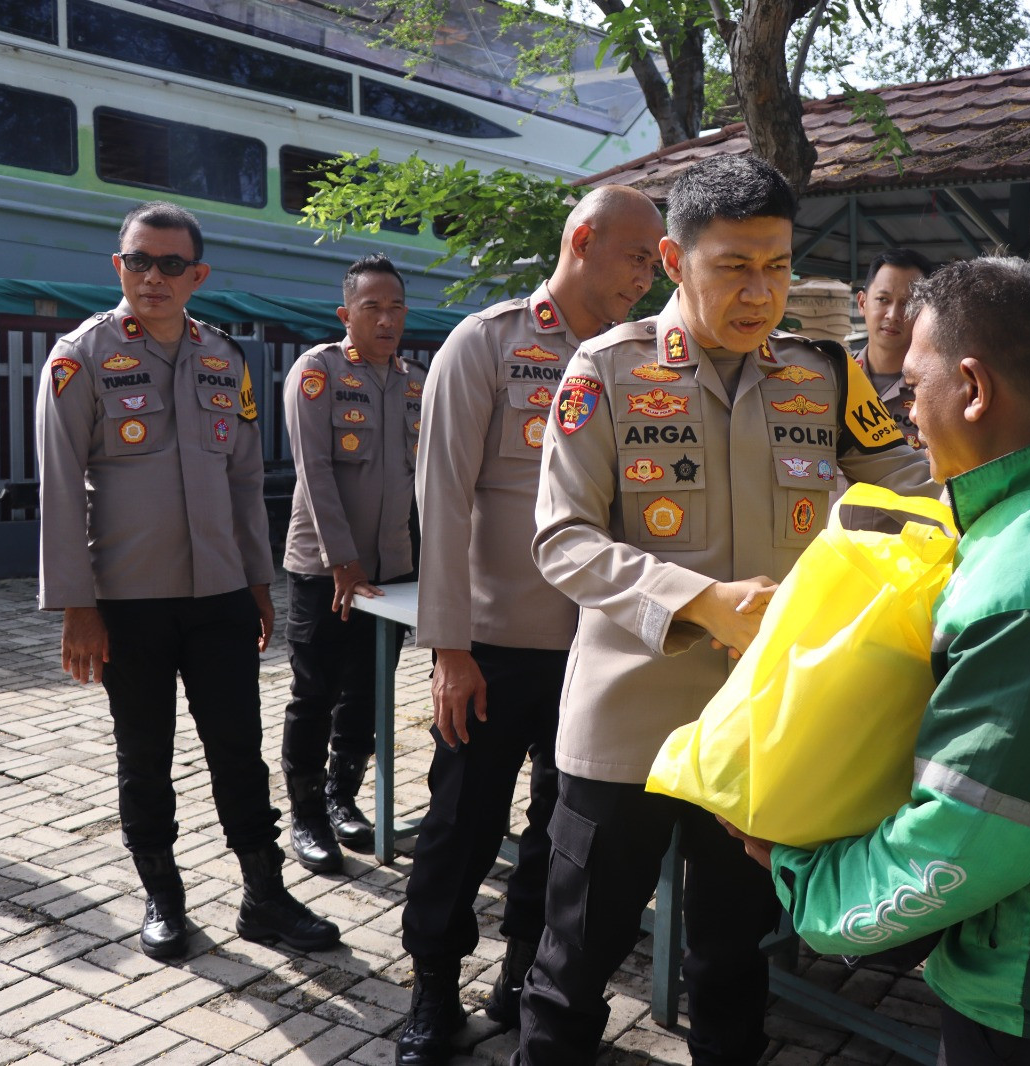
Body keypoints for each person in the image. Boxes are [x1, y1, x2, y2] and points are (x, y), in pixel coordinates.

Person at [727, 256, 1030, 1066]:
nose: (906, 417)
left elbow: (969, 840)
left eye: (913, 389)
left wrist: (805, 875)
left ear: (974, 390)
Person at [518, 153, 932, 1066]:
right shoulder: (608, 369)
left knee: (735, 964)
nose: (760, 293)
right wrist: (702, 600)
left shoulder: (823, 373)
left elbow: (913, 487)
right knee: (575, 961)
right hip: (631, 722)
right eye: (733, 267)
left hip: (763, 726)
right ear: (673, 260)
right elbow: (562, 540)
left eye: (778, 267)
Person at [393, 185, 667, 1064]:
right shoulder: (488, 344)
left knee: (566, 834)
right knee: (462, 825)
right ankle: (433, 990)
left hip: (602, 649)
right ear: (581, 240)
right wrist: (449, 651)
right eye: (636, 255)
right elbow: (441, 507)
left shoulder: (644, 359)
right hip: (497, 647)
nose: (648, 276)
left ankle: (523, 975)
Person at [36, 200, 339, 960]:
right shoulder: (80, 358)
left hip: (220, 602)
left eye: (172, 264)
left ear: (198, 275)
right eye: (139, 260)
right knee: (145, 756)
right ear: (119, 266)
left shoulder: (222, 357)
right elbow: (60, 487)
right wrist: (77, 607)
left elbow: (243, 480)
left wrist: (259, 583)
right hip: (127, 604)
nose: (154, 277)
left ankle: (264, 895)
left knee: (239, 751)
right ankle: (163, 895)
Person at [280, 253, 426, 872]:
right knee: (313, 692)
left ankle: (343, 798)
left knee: (368, 691)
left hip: (393, 572)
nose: (386, 319)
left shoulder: (417, 381)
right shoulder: (318, 373)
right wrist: (342, 561)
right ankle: (306, 813)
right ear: (347, 314)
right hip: (326, 571)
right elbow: (314, 472)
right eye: (373, 307)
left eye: (395, 308)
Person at [852, 247, 935, 449]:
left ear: (925, 312)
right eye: (883, 300)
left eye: (908, 304)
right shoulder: (835, 376)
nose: (893, 314)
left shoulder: (936, 392)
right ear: (862, 303)